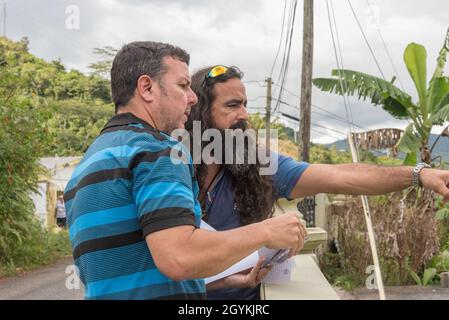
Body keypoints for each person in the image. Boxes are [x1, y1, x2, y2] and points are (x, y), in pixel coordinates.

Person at [64, 42, 306, 300]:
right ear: (146, 88)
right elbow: (178, 257)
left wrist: (223, 281)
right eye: (182, 85)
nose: (192, 97)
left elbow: (136, 270)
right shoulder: (157, 151)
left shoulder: (88, 164)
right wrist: (266, 231)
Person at [186, 65, 449, 300]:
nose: (244, 115)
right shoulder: (167, 170)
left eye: (245, 104)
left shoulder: (255, 163)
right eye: (232, 105)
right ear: (200, 113)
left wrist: (419, 175)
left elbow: (340, 177)